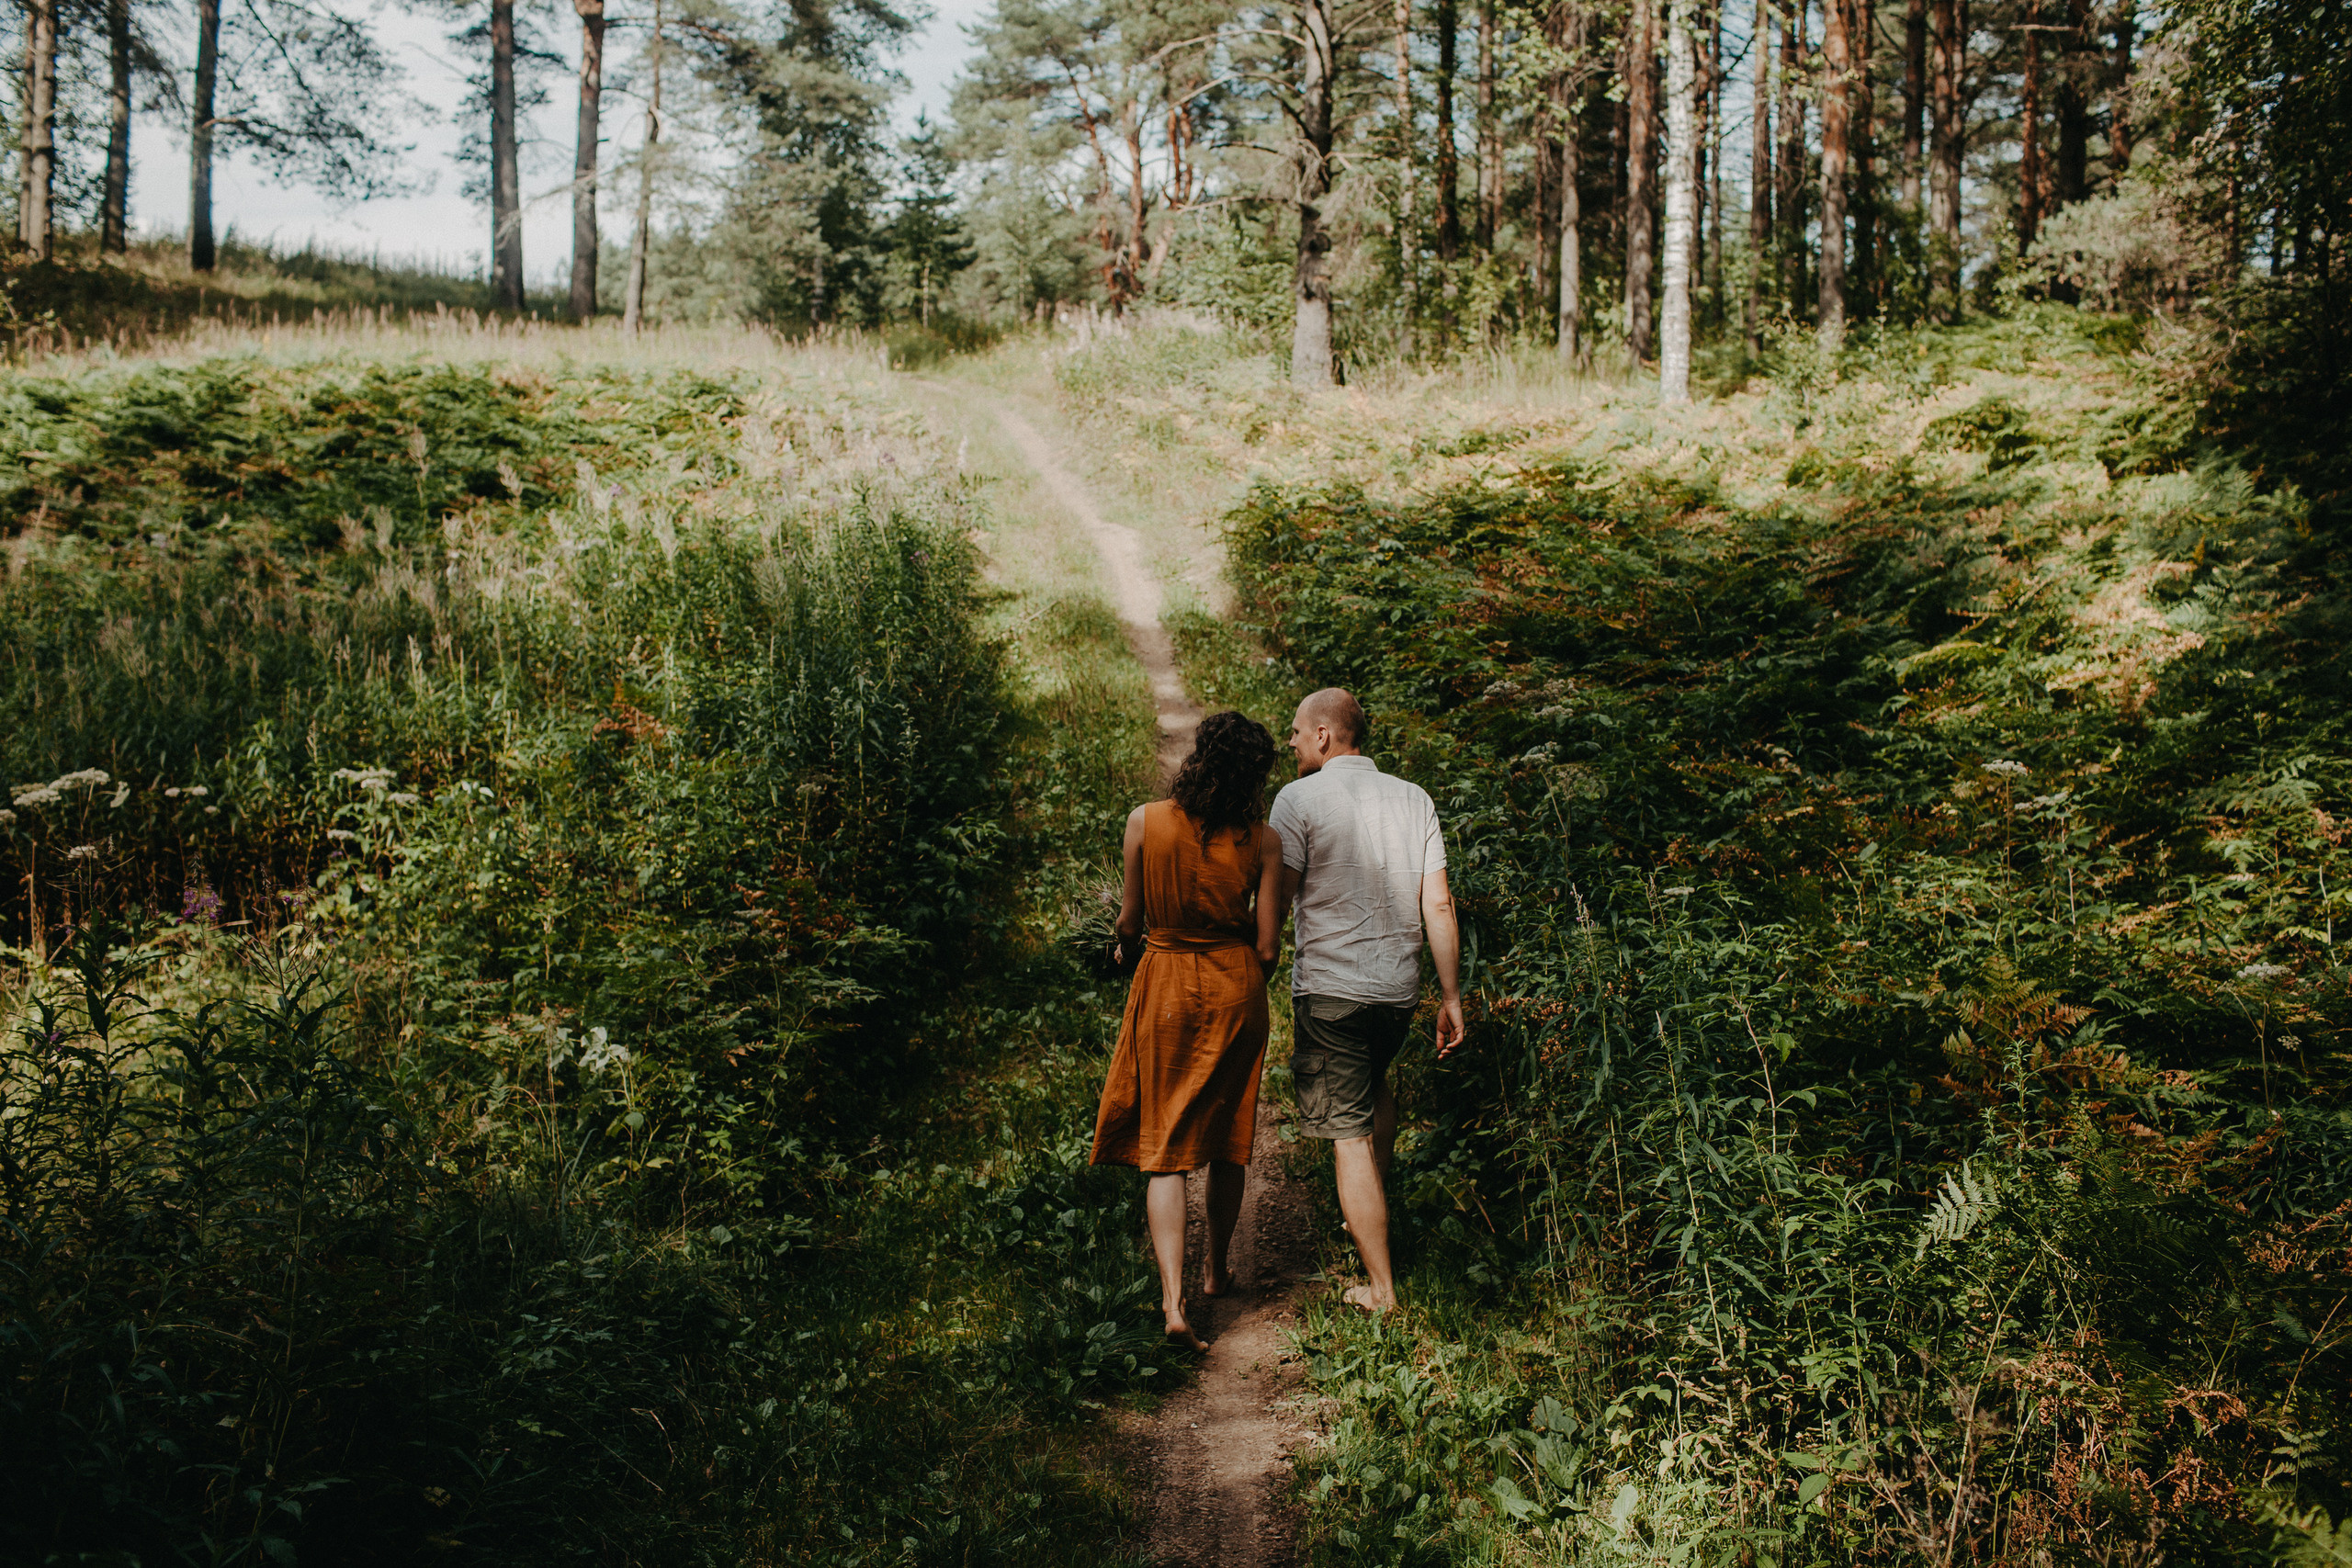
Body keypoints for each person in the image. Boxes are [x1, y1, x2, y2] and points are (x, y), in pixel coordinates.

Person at [1091, 711, 1283, 1351]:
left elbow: (1129, 921)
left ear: (1199, 755)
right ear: (1256, 774)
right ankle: (1217, 1268)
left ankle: (1172, 1302)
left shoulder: (1145, 820)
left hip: (1166, 982)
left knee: (1166, 1147)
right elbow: (1268, 947)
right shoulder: (1264, 838)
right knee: (1229, 1138)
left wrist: (1126, 950)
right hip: (1235, 989)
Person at [1269, 687, 1464, 1314]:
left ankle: (1381, 1288)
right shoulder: (1415, 798)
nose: (1292, 742)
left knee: (1347, 1134)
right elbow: (1437, 902)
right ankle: (1367, 1224)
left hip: (1332, 991)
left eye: (1297, 732)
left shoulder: (1297, 799)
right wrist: (1451, 994)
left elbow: (1278, 896)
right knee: (1375, 1089)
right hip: (1396, 993)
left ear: (1325, 735)